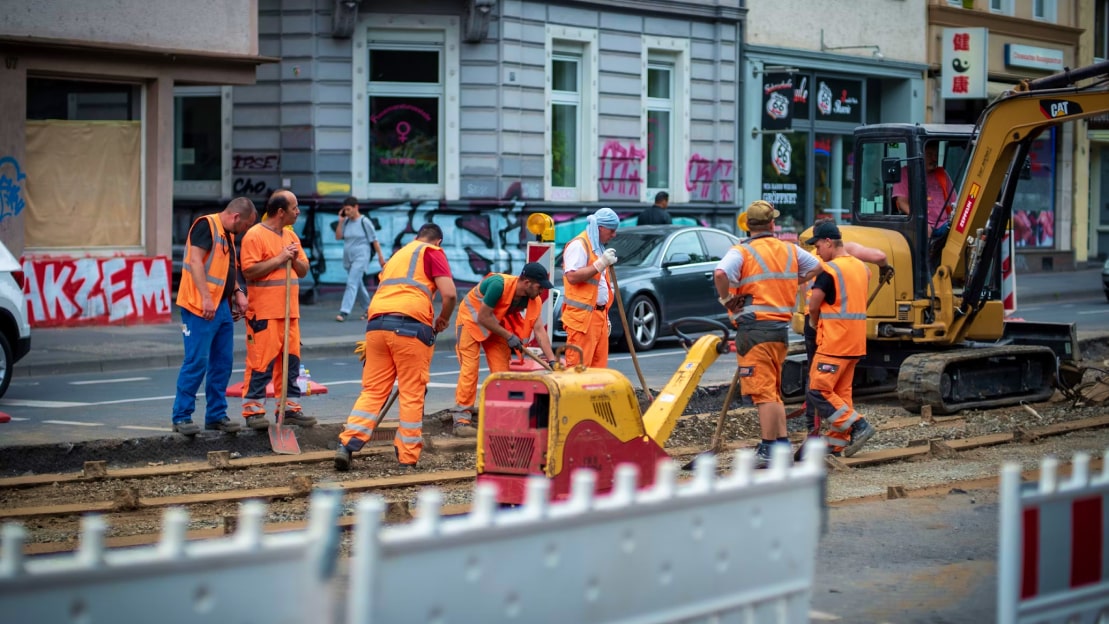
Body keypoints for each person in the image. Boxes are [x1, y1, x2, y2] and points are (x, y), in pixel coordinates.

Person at [335, 223, 457, 471]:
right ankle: (407, 457)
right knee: (412, 393)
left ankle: (346, 445)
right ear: (438, 241)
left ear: (416, 237)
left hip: (377, 325)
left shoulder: (397, 256)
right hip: (411, 328)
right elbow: (450, 294)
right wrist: (443, 318)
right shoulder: (432, 252)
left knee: (373, 391)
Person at [713, 200, 820, 468]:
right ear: (773, 224)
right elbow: (817, 267)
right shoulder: (789, 250)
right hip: (778, 331)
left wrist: (726, 300)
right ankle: (781, 444)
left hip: (754, 330)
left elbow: (720, 273)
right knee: (772, 391)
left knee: (763, 393)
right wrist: (792, 282)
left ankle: (769, 448)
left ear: (748, 225)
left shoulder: (742, 252)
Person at [171, 198, 258, 436]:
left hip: (220, 306)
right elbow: (194, 261)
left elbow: (228, 269)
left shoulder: (227, 234)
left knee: (222, 363)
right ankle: (181, 416)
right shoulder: (206, 225)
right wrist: (206, 297)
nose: (243, 233)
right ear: (236, 217)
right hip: (200, 306)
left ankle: (216, 416)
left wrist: (238, 292)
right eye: (244, 227)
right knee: (196, 361)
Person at [800, 218, 893, 440]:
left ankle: (858, 426)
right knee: (841, 394)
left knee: (818, 390)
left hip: (834, 342)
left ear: (829, 242)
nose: (817, 250)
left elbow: (813, 304)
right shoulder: (861, 268)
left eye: (819, 245)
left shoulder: (828, 270)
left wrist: (813, 322)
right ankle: (837, 443)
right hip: (855, 342)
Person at [449, 263, 559, 437]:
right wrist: (508, 336)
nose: (541, 292)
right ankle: (461, 420)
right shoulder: (498, 285)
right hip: (470, 320)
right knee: (470, 369)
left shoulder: (533, 299)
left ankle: (500, 417)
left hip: (495, 324)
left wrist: (552, 360)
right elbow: (483, 316)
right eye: (539, 287)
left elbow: (539, 330)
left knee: (502, 373)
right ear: (526, 282)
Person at [238, 190, 317, 430]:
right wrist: (281, 257)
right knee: (261, 363)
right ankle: (253, 411)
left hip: (290, 313)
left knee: (291, 363)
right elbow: (249, 271)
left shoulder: (291, 236)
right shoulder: (254, 236)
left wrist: (294, 258)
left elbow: (303, 270)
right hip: (264, 313)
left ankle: (290, 409)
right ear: (281, 212)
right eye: (295, 208)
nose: (298, 211)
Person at [561, 207, 620, 369]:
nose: (614, 235)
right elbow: (572, 277)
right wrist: (600, 264)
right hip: (582, 321)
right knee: (578, 371)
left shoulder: (597, 247)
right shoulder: (579, 245)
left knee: (598, 371)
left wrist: (605, 316)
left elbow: (599, 285)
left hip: (597, 318)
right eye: (612, 230)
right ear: (600, 227)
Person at [334, 196, 387, 322]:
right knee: (357, 283)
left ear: (356, 207)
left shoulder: (365, 222)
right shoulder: (346, 222)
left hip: (362, 256)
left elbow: (374, 240)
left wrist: (380, 256)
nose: (347, 212)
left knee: (351, 282)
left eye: (349, 209)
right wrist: (341, 221)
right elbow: (338, 237)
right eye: (345, 210)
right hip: (348, 257)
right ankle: (369, 309)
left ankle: (344, 311)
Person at [892, 142, 954, 234]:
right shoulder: (905, 174)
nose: (934, 159)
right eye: (929, 155)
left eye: (936, 155)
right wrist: (920, 222)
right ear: (918, 155)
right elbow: (902, 203)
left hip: (944, 225)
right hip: (918, 225)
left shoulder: (942, 175)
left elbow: (954, 201)